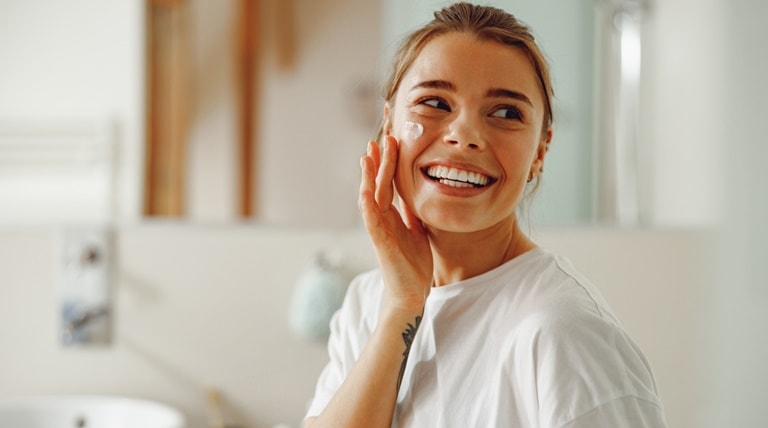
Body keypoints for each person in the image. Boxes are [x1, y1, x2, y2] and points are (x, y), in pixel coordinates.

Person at [304, 3, 667, 427]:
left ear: (540, 151)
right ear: (389, 126)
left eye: (506, 113)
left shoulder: (564, 334)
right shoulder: (368, 302)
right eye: (434, 102)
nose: (465, 136)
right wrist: (402, 307)